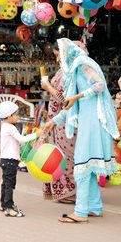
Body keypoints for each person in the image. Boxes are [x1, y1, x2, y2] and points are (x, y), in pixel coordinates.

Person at [41, 38, 119, 223]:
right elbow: (70, 106)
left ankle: (80, 212)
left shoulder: (82, 64)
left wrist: (77, 96)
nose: (59, 59)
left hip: (93, 121)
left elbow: (99, 85)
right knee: (89, 167)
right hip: (87, 120)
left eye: (59, 54)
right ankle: (94, 206)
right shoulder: (75, 69)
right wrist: (53, 121)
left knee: (82, 165)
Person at [40, 42, 88, 205]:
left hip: (67, 122)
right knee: (60, 156)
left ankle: (71, 191)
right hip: (57, 121)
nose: (58, 58)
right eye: (56, 55)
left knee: (67, 157)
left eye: (59, 54)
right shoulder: (65, 71)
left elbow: (66, 100)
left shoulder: (74, 73)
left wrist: (48, 87)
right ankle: (63, 190)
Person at [0, 101, 39, 217]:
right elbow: (21, 139)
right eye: (16, 114)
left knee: (5, 183)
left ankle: (3, 204)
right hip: (10, 161)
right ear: (9, 116)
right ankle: (9, 207)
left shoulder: (5, 126)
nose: (18, 116)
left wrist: (18, 157)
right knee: (10, 184)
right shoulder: (10, 128)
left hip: (6, 159)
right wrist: (36, 134)